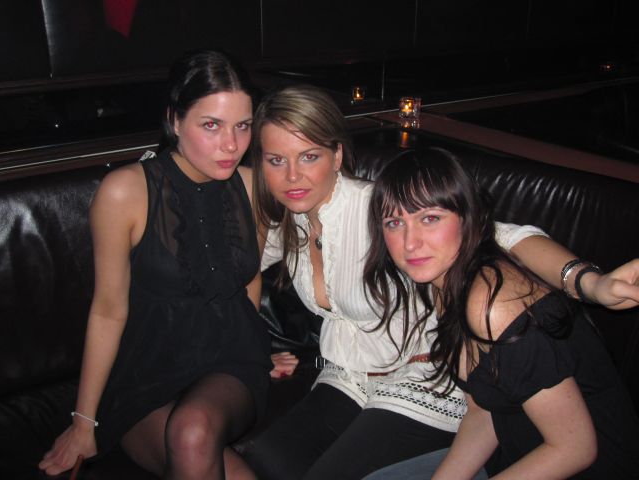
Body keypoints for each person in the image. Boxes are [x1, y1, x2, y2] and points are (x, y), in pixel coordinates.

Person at [238, 84, 638, 480]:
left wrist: (589, 283)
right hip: (349, 375)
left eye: (309, 156)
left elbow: (503, 237)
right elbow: (239, 267)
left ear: (337, 154)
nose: (292, 175)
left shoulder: (380, 209)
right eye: (276, 160)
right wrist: (248, 350)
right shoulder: (293, 223)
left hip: (420, 377)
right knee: (269, 463)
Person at [39, 49, 273, 479]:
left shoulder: (253, 187)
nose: (231, 144)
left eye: (242, 126)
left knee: (193, 430)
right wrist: (83, 421)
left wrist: (257, 342)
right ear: (174, 120)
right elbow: (108, 310)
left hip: (228, 365)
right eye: (211, 125)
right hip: (145, 372)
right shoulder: (125, 192)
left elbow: (249, 279)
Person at [362, 148, 639, 479]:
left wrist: (592, 283)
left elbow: (575, 449)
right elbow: (484, 411)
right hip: (516, 451)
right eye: (394, 223)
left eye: (430, 218)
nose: (410, 243)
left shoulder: (494, 304)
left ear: (468, 218)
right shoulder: (444, 284)